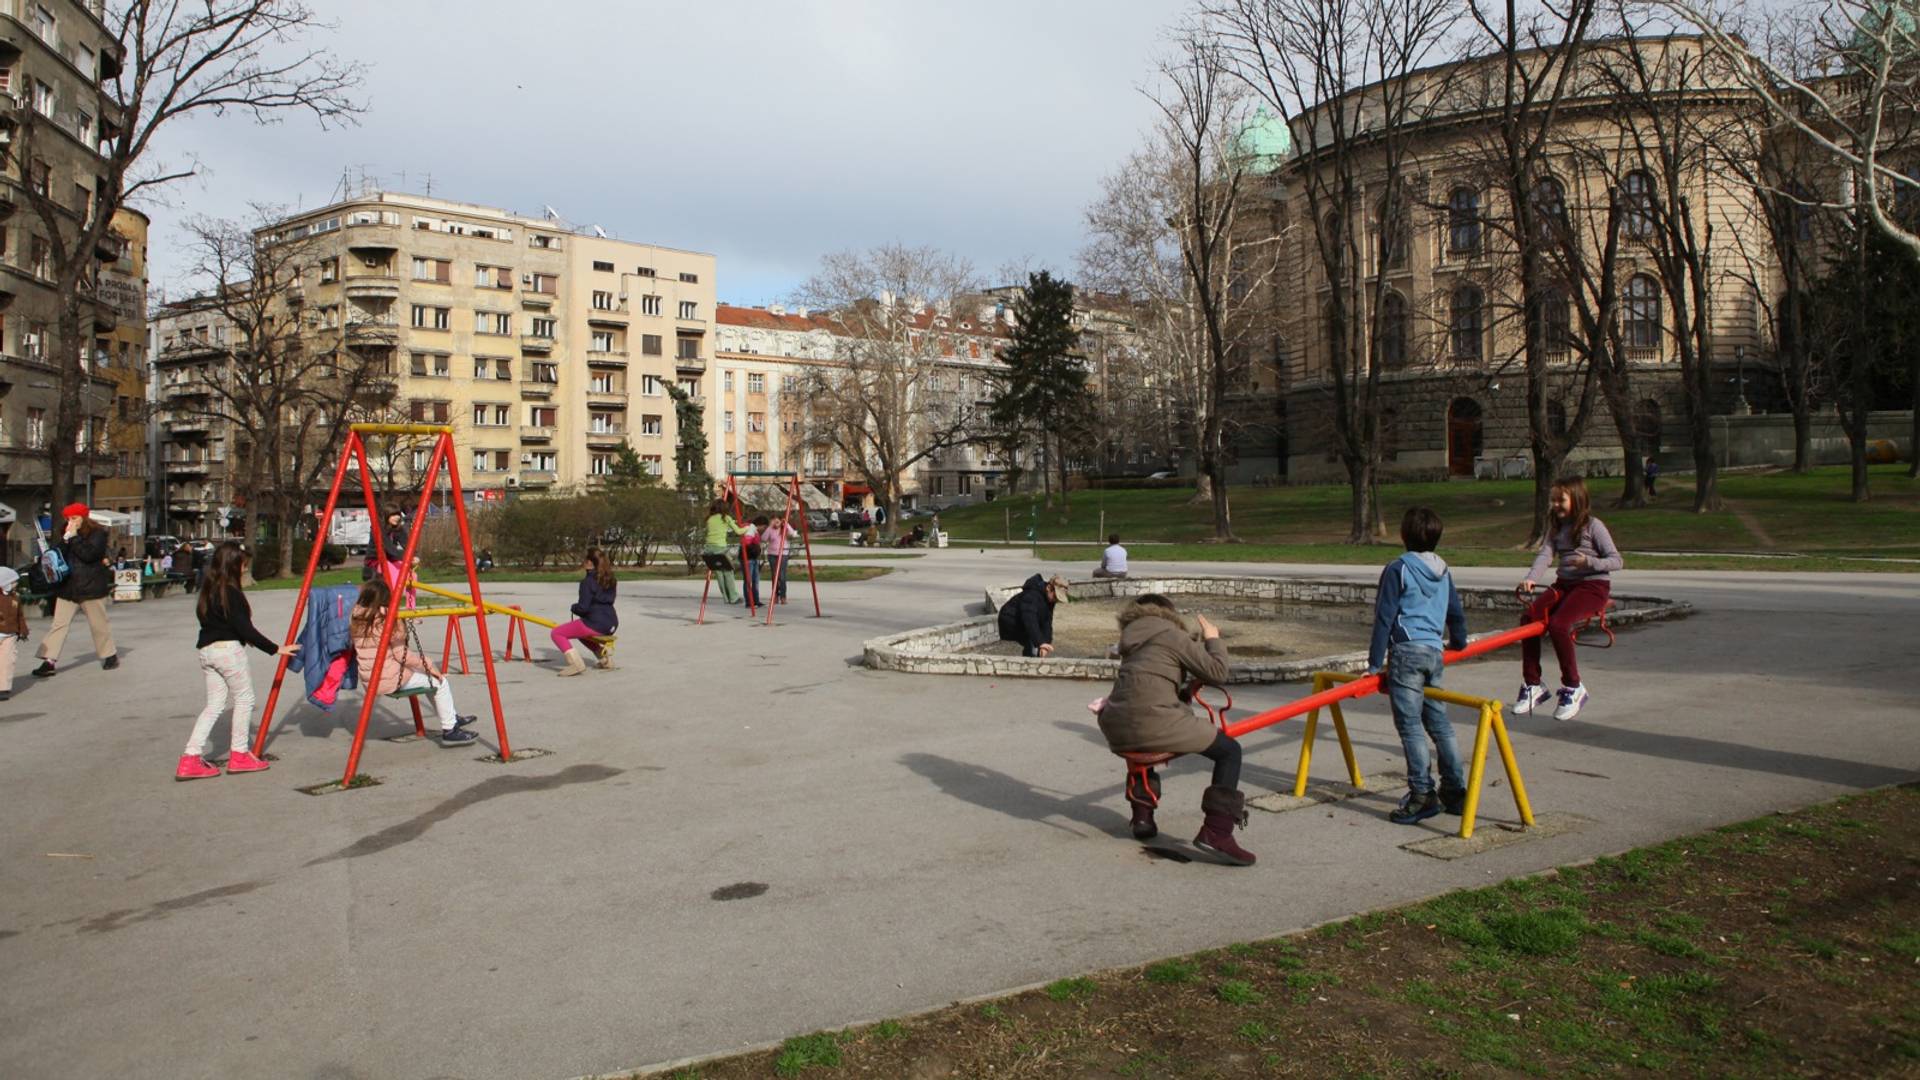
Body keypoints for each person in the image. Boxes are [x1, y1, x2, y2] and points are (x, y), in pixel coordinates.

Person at [1094, 595, 1255, 865]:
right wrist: (1213, 639)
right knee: (1229, 751)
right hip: (1154, 723)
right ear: (1168, 615)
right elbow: (1217, 672)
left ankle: (1142, 817)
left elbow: (1146, 687)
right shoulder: (1172, 635)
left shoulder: (1131, 642)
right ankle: (1217, 831)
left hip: (1116, 726)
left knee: (1142, 738)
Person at [1367, 507, 1471, 825]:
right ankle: (1455, 790)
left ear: (1404, 535)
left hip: (1406, 653)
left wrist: (1373, 664)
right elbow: (1455, 611)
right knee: (1440, 724)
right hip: (1433, 652)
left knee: (1411, 726)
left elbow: (1385, 617)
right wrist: (1460, 642)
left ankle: (1423, 794)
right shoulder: (1443, 570)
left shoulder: (1398, 568)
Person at [176, 542, 301, 781]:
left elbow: (220, 623)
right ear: (233, 564)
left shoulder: (209, 588)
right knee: (245, 699)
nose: (244, 568)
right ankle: (240, 754)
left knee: (214, 705)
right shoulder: (230, 592)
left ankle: (190, 757)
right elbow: (244, 627)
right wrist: (275, 649)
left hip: (207, 651)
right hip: (228, 651)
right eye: (243, 564)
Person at [1515, 476, 1623, 722]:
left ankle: (1573, 687)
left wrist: (1590, 562)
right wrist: (1531, 578)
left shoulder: (1594, 526)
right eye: (1553, 500)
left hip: (1592, 586)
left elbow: (1617, 560)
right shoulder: (1556, 527)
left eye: (1560, 500)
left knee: (1558, 625)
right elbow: (1545, 554)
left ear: (1576, 499)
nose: (1555, 504)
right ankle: (1533, 685)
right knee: (1528, 618)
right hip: (1564, 585)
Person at [350, 577, 477, 745]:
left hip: (371, 679)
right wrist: (430, 666)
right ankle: (450, 729)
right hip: (390, 678)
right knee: (440, 682)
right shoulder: (388, 621)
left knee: (428, 682)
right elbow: (402, 654)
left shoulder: (357, 618)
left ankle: (451, 717)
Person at [32, 503, 117, 677]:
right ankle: (49, 660)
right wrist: (64, 540)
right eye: (68, 518)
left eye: (74, 518)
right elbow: (57, 554)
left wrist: (74, 538)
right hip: (68, 587)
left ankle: (109, 655)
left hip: (91, 586)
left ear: (83, 518)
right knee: (59, 624)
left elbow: (89, 555)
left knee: (98, 624)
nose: (71, 522)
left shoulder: (98, 534)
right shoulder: (67, 532)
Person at [552, 548, 618, 676]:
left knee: (556, 633)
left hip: (595, 623)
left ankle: (576, 664)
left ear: (589, 562)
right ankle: (605, 660)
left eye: (584, 560)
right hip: (611, 622)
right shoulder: (611, 579)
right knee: (581, 634)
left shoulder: (587, 582)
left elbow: (583, 608)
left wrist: (574, 607)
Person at [996, 573, 1068, 658]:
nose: (1056, 600)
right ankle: (1029, 662)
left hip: (1024, 621)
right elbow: (1029, 620)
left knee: (1037, 640)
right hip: (1010, 621)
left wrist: (1046, 642)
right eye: (1055, 597)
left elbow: (1047, 621)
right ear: (1049, 588)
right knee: (1033, 642)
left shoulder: (1049, 599)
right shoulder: (1031, 595)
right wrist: (1040, 642)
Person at [702, 499, 744, 604]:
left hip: (708, 549)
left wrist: (730, 523)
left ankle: (726, 597)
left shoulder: (709, 518)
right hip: (720, 548)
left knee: (719, 573)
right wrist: (749, 527)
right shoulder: (726, 518)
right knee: (728, 572)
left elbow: (717, 528)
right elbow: (739, 531)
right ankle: (733, 597)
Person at [0, 566, 27, 702]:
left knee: (7, 660)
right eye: (13, 582)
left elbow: (20, 616)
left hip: (10, 635)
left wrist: (23, 630)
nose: (16, 584)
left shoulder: (15, 598)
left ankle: (3, 687)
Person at [761, 513, 800, 602]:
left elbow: (793, 534)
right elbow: (763, 538)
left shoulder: (784, 528)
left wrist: (786, 523)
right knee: (774, 576)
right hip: (772, 555)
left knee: (782, 576)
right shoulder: (770, 529)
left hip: (783, 554)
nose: (775, 523)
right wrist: (769, 527)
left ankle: (783, 596)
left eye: (777, 521)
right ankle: (775, 595)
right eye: (773, 521)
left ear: (780, 521)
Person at [741, 516, 764, 608]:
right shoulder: (751, 529)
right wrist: (755, 549)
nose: (764, 529)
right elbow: (746, 542)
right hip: (748, 558)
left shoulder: (754, 530)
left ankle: (756, 600)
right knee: (748, 580)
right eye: (764, 526)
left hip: (753, 558)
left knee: (755, 580)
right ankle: (749, 601)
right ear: (760, 524)